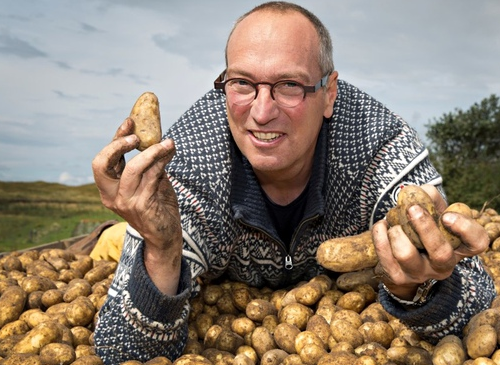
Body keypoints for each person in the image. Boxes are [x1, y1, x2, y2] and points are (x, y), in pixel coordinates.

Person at [91, 2, 495, 363]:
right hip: (231, 289)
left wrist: (419, 287)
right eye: (242, 83)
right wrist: (162, 249)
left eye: (289, 85)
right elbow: (117, 351)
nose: (262, 112)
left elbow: (481, 305)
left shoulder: (379, 143)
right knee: (113, 243)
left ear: (329, 93)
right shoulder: (189, 163)